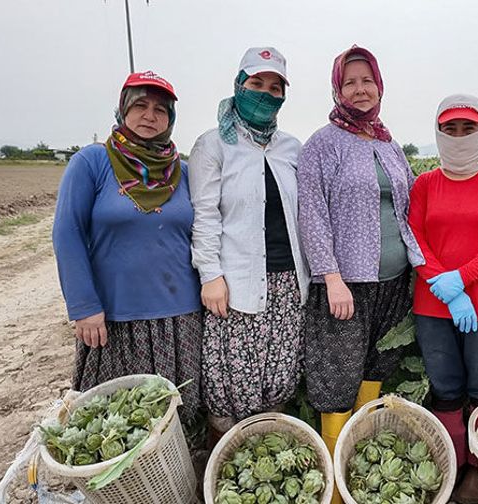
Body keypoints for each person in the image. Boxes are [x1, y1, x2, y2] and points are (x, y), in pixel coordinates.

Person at [297, 44, 424, 483]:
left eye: (367, 80)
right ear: (337, 89)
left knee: (376, 366)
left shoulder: (388, 144)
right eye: (350, 82)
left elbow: (411, 203)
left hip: (393, 279)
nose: (360, 89)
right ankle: (333, 480)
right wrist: (331, 278)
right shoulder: (322, 145)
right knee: (337, 377)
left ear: (380, 85)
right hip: (346, 283)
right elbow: (311, 214)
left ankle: (358, 463)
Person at [52, 71, 202, 424]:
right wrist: (84, 306)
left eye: (160, 110)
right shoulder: (92, 163)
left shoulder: (185, 171)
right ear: (122, 111)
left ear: (171, 119)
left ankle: (177, 478)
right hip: (114, 320)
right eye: (140, 106)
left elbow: (207, 232)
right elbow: (67, 233)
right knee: (117, 422)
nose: (150, 116)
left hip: (180, 320)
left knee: (177, 418)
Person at [188, 47, 310, 441]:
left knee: (279, 371)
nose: (265, 93)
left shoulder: (290, 147)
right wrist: (211, 275)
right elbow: (205, 216)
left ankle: (267, 447)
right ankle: (225, 448)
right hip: (236, 283)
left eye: (275, 87)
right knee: (230, 379)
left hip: (289, 283)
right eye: (257, 83)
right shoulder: (213, 145)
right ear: (239, 85)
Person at [408, 94, 478, 504]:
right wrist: (445, 285)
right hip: (434, 304)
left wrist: (462, 278)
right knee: (446, 389)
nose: (459, 136)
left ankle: (475, 476)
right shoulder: (425, 183)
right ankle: (451, 465)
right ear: (438, 133)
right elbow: (416, 239)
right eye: (450, 129)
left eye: (468, 128)